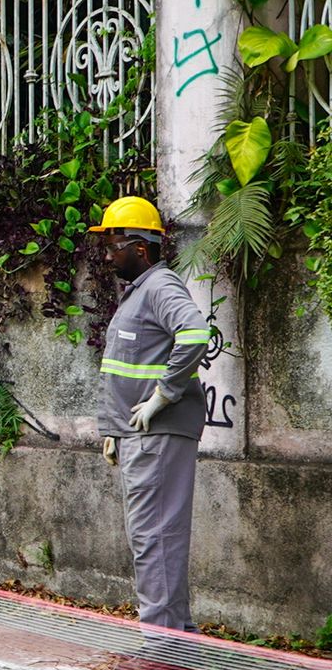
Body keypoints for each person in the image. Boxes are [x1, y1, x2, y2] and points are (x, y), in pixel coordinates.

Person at [91, 195, 209, 633]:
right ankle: (176, 640)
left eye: (114, 244)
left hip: (157, 434)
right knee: (155, 539)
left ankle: (161, 648)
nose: (108, 255)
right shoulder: (142, 292)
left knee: (154, 540)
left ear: (141, 248)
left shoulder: (159, 287)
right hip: (139, 433)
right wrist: (114, 427)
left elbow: (195, 334)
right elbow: (131, 364)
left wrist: (164, 395)